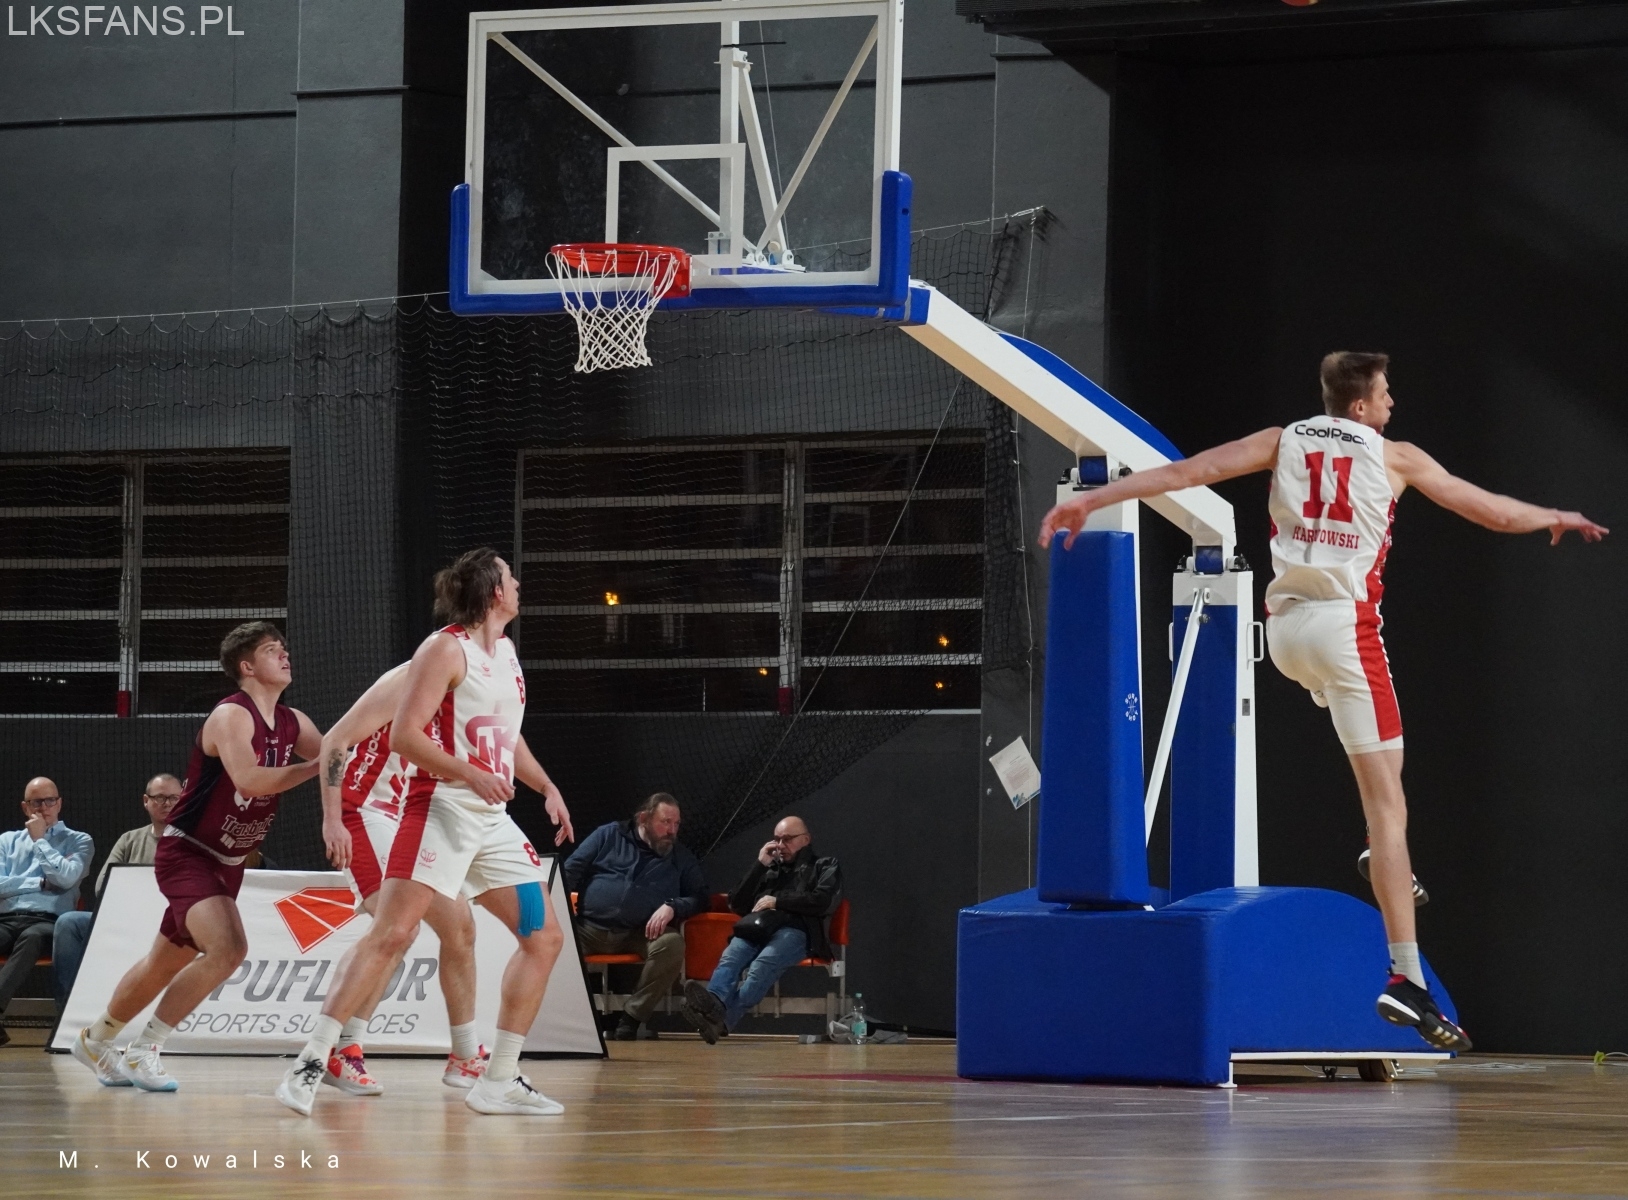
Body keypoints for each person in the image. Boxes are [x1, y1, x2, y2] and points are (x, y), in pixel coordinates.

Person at [1038, 351, 1609, 1051]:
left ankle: (1380, 855)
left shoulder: (1281, 440)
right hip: (1344, 634)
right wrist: (1552, 514)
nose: (1393, 402)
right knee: (1390, 808)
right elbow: (1487, 510)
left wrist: (1093, 499)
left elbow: (1189, 473)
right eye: (1386, 393)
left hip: (1284, 635)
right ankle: (1406, 977)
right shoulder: (1396, 457)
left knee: (1382, 794)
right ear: (1362, 405)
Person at [277, 548, 575, 1118]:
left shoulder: (506, 653)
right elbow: (403, 738)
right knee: (394, 932)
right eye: (510, 576)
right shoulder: (441, 650)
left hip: (491, 821)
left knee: (542, 938)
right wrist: (468, 773)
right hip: (436, 809)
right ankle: (314, 1060)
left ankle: (495, 1076)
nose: (519, 583)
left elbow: (505, 736)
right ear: (493, 591)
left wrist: (545, 786)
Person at [69, 622, 320, 1089]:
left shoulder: (294, 721)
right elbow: (251, 780)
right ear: (247, 666)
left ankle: (95, 1039)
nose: (285, 655)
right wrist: (317, 766)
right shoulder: (231, 715)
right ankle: (145, 1049)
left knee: (164, 961)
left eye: (284, 648)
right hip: (189, 852)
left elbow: (339, 757)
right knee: (229, 949)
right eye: (272, 650)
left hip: (230, 861)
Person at [315, 662, 486, 1095]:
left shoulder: (473, 689)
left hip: (405, 816)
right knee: (397, 930)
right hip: (362, 809)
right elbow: (335, 740)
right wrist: (332, 819)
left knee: (461, 927)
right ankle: (341, 1049)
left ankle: (465, 1056)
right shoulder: (411, 676)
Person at [562, 793, 709, 1040]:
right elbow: (569, 871)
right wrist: (556, 907)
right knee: (546, 939)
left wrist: (673, 906)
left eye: (676, 824)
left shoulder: (680, 857)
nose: (672, 831)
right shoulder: (609, 835)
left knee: (671, 944)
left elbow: (701, 897)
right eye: (665, 822)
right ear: (643, 819)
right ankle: (557, 1018)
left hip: (638, 932)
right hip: (588, 928)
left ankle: (631, 1018)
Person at [682, 816, 841, 1044]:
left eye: (787, 839)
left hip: (795, 930)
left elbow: (822, 900)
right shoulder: (769, 869)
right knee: (731, 957)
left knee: (761, 967)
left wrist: (777, 901)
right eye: (777, 839)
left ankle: (719, 1018)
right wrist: (759, 865)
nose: (780, 845)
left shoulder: (824, 865)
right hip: (758, 928)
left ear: (806, 839)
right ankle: (714, 1004)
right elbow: (736, 903)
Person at [51, 774, 184, 1010]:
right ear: (146, 801)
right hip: (126, 919)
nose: (167, 804)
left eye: (174, 798)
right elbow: (102, 885)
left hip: (175, 922)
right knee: (69, 923)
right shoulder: (129, 839)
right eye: (160, 798)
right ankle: (69, 1009)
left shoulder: (194, 841)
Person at [0, 777, 93, 1046]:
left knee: (31, 937)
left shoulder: (79, 841)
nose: (43, 808)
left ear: (59, 803)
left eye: (50, 800)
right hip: (6, 919)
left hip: (48, 922)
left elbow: (65, 878)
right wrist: (39, 884)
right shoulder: (6, 841)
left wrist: (40, 840)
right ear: (25, 807)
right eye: (36, 802)